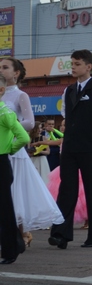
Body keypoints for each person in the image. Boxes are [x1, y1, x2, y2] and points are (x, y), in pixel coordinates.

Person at [48, 50, 92, 249]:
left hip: (89, 147)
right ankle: (61, 235)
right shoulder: (68, 90)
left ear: (88, 66)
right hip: (69, 147)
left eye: (77, 64)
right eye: (72, 64)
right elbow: (65, 113)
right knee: (66, 190)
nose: (73, 67)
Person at [0, 58, 64, 248]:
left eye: (5, 67)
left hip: (13, 148)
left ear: (16, 73)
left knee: (15, 193)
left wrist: (10, 127)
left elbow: (29, 121)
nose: (1, 70)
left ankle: (19, 235)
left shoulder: (20, 95)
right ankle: (15, 237)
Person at [0, 76, 30, 264]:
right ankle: (15, 244)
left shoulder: (5, 113)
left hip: (1, 163)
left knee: (4, 209)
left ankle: (11, 249)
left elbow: (24, 138)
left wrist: (8, 149)